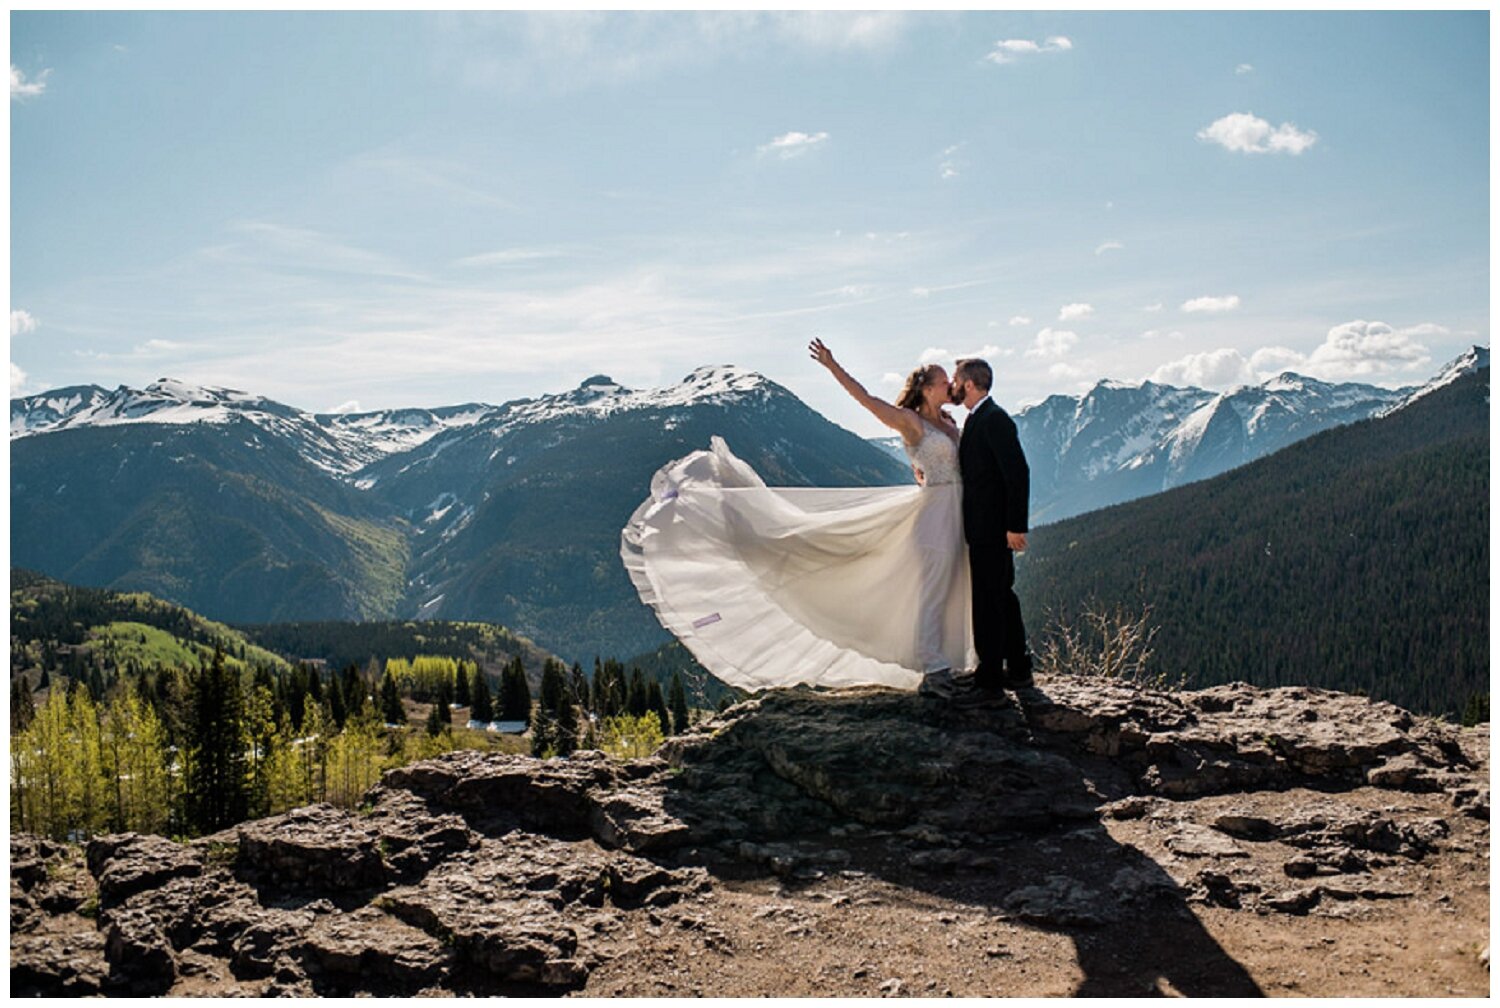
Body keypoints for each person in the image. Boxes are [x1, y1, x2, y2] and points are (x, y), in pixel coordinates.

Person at [619, 340, 974, 694]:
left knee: (956, 585)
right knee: (933, 589)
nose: (950, 387)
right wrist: (833, 366)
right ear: (927, 389)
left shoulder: (945, 420)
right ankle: (934, 666)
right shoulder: (910, 421)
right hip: (934, 516)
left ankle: (952, 659)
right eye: (944, 382)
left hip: (956, 511)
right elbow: (866, 400)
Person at [948, 357, 1034, 694]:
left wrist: (1015, 526)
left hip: (993, 528)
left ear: (969, 384)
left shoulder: (994, 419)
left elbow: (1017, 472)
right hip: (985, 526)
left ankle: (991, 675)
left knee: (989, 599)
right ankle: (1018, 667)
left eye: (956, 380)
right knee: (1001, 596)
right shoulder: (978, 418)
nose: (953, 386)